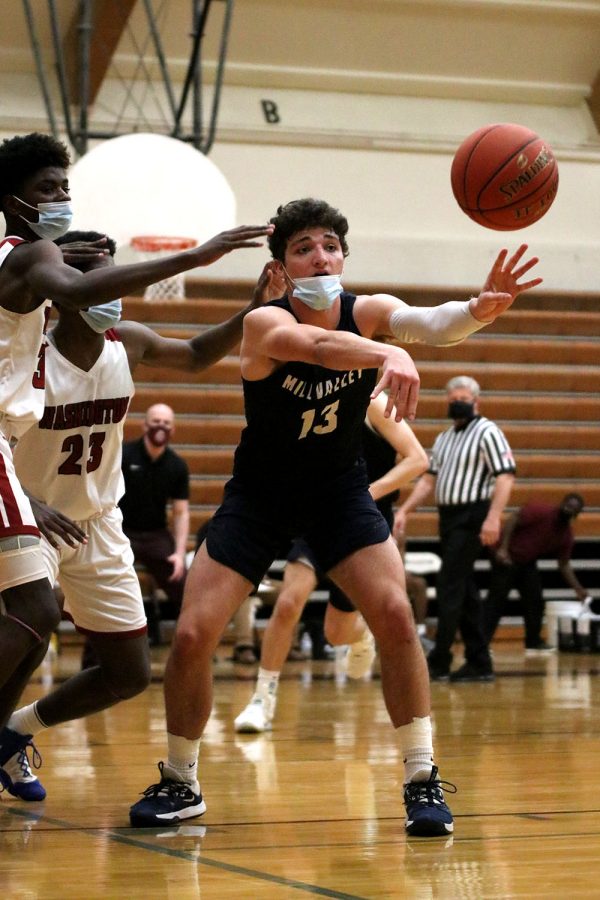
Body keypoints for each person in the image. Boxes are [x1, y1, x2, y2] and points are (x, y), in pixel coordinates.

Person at [129, 197, 542, 837]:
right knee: (190, 636)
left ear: (343, 255)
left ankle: (422, 779)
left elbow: (427, 322)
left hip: (338, 492)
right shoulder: (264, 323)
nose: (320, 256)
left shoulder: (368, 310)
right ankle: (181, 780)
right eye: (303, 248)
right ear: (284, 267)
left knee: (398, 614)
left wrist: (475, 312)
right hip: (260, 496)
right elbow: (320, 347)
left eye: (329, 245)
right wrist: (386, 356)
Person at [0, 217, 275, 801]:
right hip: (33, 517)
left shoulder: (129, 342)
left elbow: (198, 354)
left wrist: (251, 310)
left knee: (128, 673)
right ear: (68, 293)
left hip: (99, 521)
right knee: (34, 621)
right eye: (102, 280)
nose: (115, 290)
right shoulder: (31, 361)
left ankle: (15, 733)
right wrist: (31, 504)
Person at [234, 392, 429, 733]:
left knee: (336, 633)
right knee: (288, 602)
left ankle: (361, 636)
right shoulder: (313, 395)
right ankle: (262, 699)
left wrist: (368, 493)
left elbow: (417, 460)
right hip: (316, 513)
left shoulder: (374, 402)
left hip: (361, 520)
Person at [394, 375, 516, 683]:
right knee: (466, 591)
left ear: (476, 402)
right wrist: (405, 510)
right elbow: (428, 481)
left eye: (461, 398)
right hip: (448, 518)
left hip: (473, 515)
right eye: (450, 400)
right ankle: (478, 661)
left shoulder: (488, 431)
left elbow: (505, 476)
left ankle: (439, 660)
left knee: (449, 583)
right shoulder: (444, 438)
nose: (455, 404)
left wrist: (493, 518)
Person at [484, 492, 587, 655]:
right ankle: (482, 644)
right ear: (562, 504)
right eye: (567, 505)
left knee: (535, 601)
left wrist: (578, 589)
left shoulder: (566, 535)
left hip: (526, 562)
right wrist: (503, 548)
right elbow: (514, 519)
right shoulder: (542, 510)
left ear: (577, 514)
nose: (569, 509)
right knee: (496, 600)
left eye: (573, 509)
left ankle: (533, 641)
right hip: (505, 555)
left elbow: (564, 564)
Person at [120, 403, 190, 632]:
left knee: (185, 588)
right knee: (108, 591)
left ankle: (192, 648)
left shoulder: (177, 465)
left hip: (156, 535)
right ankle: (94, 660)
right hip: (122, 532)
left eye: (166, 423)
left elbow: (180, 513)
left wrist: (179, 554)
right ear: (145, 425)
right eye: (156, 421)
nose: (161, 427)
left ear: (173, 430)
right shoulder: (123, 454)